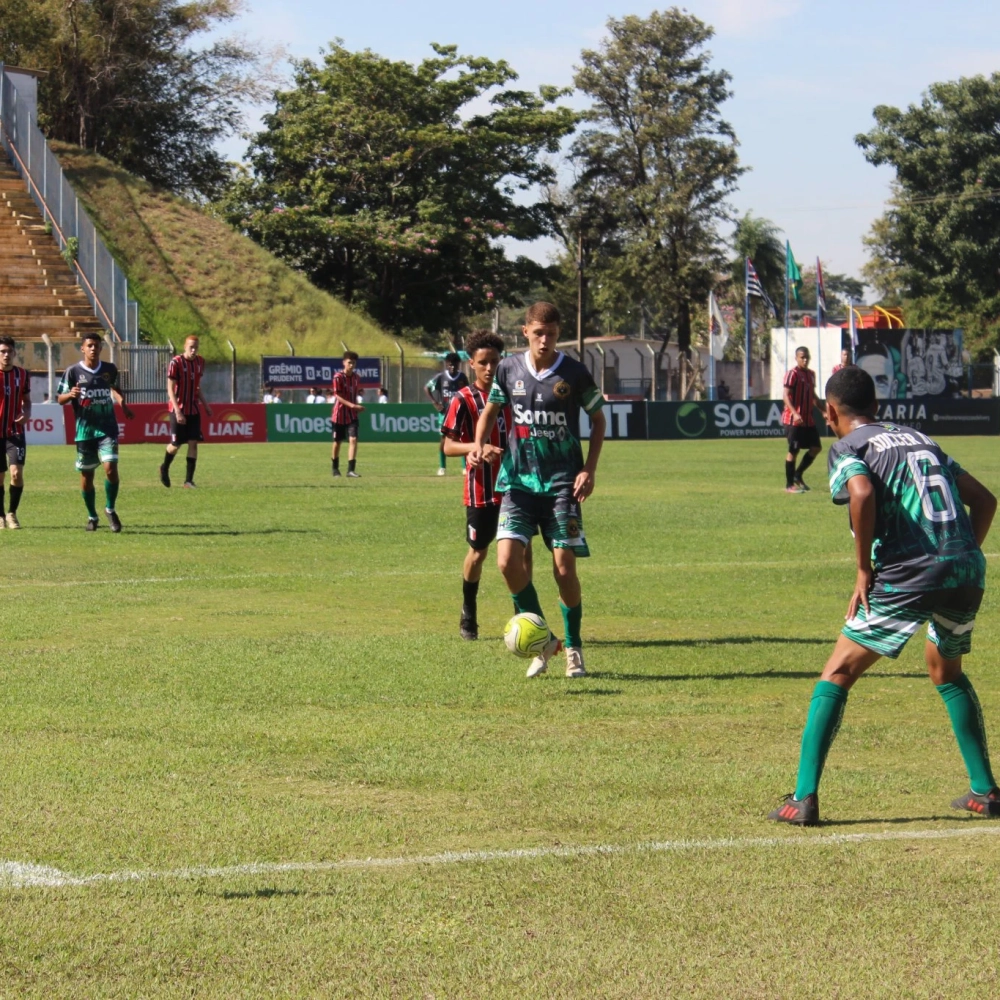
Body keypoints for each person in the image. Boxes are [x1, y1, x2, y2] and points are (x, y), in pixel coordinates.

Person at [769, 366, 999, 826]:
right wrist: (961, 554)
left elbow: (861, 490)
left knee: (836, 672)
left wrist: (863, 569)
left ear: (829, 411)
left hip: (909, 573)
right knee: (945, 668)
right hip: (967, 568)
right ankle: (985, 791)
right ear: (877, 406)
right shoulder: (920, 439)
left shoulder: (850, 446)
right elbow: (987, 500)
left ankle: (802, 799)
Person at [470, 301, 606, 679]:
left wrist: (589, 469)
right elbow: (491, 411)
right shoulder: (508, 368)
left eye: (551, 333)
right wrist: (479, 444)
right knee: (505, 562)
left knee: (564, 570)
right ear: (525, 331)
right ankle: (545, 640)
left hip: (563, 485)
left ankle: (573, 648)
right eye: (538, 332)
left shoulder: (575, 373)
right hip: (519, 482)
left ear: (558, 333)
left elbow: (598, 420)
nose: (544, 340)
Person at [442, 329, 530, 640]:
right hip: (480, 490)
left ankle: (525, 617)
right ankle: (468, 610)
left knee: (522, 551)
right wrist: (476, 449)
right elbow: (448, 446)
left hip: (517, 487)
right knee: (478, 553)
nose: (490, 368)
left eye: (495, 361)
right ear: (471, 363)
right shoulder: (463, 399)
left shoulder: (515, 392)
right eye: (483, 363)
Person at [56, 332, 134, 532]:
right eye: (89, 345)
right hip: (85, 431)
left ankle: (110, 509)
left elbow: (114, 388)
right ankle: (92, 516)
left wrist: (122, 403)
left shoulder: (109, 369)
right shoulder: (73, 372)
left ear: (101, 348)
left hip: (107, 428)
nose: (93, 348)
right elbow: (59, 399)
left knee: (111, 468)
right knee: (87, 477)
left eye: (96, 345)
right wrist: (70, 394)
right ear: (82, 348)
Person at [160, 335, 212, 489]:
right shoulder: (176, 362)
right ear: (185, 347)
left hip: (193, 409)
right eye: (191, 347)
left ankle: (188, 481)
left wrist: (206, 405)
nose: (194, 350)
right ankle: (164, 467)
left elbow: (197, 387)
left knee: (193, 443)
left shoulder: (200, 362)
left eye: (196, 347)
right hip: (178, 409)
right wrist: (177, 411)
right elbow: (170, 388)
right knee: (176, 444)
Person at [782, 346, 824, 494]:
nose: (805, 360)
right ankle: (789, 485)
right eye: (802, 357)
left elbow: (813, 395)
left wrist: (823, 411)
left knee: (816, 447)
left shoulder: (811, 375)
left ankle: (798, 474)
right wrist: (794, 413)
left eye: (807, 357)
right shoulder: (792, 374)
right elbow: (786, 396)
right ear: (796, 358)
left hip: (807, 419)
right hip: (793, 420)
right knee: (794, 450)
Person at [0, 336, 31, 529]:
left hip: (16, 432)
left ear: (14, 353)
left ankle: (12, 513)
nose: (5, 355)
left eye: (9, 352)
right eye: (2, 352)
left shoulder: (23, 374)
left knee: (16, 474)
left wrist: (27, 412)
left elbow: (27, 400)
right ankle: (0, 516)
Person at [425, 353, 469, 476]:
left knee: (461, 438)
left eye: (454, 363)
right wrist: (435, 403)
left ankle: (465, 467)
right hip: (445, 413)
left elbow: (468, 392)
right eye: (450, 364)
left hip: (459, 412)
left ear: (458, 364)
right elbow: (427, 388)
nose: (452, 366)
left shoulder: (462, 378)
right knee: (444, 439)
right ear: (446, 364)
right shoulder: (441, 377)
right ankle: (442, 467)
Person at [331, 351, 364, 478]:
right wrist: (352, 405)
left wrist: (355, 407)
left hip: (352, 414)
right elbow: (337, 395)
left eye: (354, 363)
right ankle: (335, 468)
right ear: (344, 362)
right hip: (339, 414)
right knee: (337, 442)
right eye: (349, 362)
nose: (351, 365)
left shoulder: (356, 378)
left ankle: (350, 470)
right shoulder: (338, 377)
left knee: (354, 439)